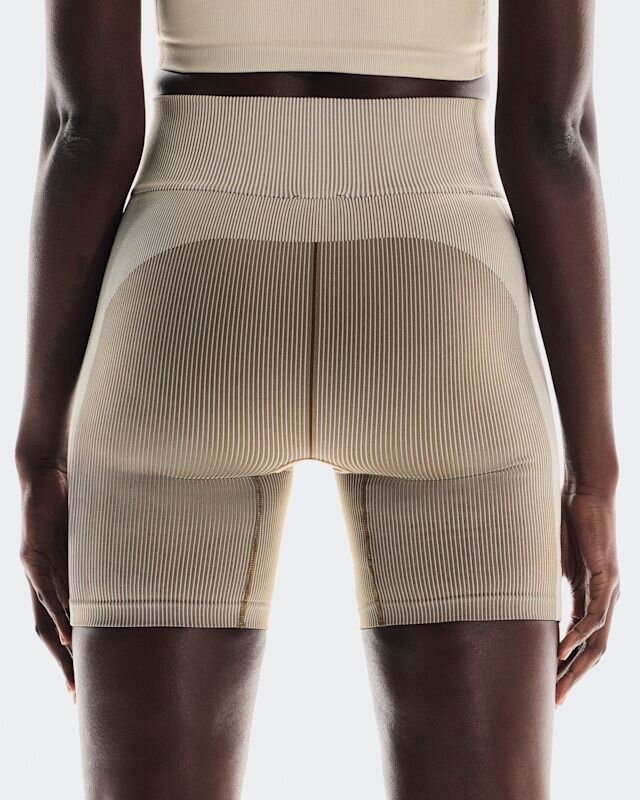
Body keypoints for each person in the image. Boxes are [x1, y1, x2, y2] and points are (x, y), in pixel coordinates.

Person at [15, 1, 620, 798]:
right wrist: (593, 478)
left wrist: (40, 456)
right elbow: (553, 132)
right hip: (441, 283)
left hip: (188, 288)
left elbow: (86, 131)